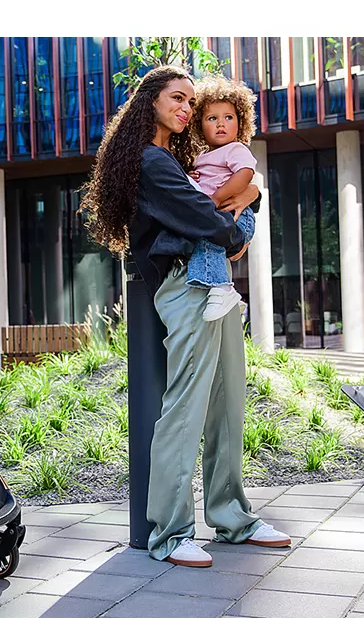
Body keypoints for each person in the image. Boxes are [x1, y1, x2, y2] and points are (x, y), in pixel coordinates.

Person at [80, 65, 290, 568]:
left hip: (215, 287)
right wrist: (243, 213)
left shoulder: (178, 158)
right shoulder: (151, 162)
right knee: (185, 407)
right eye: (177, 97)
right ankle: (170, 532)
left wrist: (250, 196)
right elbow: (206, 220)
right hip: (187, 287)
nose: (186, 108)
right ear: (150, 100)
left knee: (227, 403)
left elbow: (225, 199)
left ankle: (232, 517)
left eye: (190, 102)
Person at [183, 76, 259, 321]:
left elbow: (245, 174)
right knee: (206, 240)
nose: (221, 124)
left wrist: (216, 198)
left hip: (236, 214)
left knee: (209, 237)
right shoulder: (201, 157)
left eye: (228, 117)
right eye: (212, 118)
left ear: (240, 122)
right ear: (199, 125)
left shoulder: (235, 149)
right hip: (219, 213)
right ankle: (227, 295)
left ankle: (223, 289)